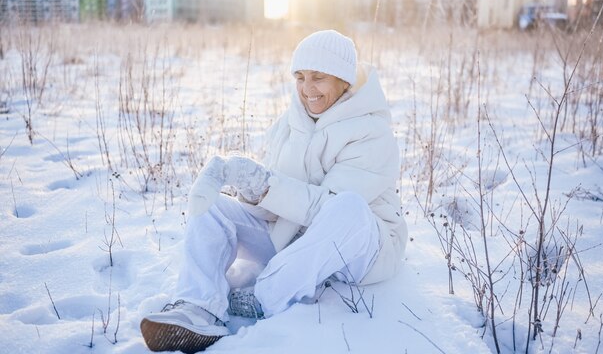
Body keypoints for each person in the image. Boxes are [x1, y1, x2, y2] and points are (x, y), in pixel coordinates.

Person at [140, 29, 408, 353]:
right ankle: (198, 306)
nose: (307, 89)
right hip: (292, 239)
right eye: (300, 77)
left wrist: (264, 184)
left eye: (318, 77)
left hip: (359, 248)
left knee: (348, 208)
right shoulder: (288, 123)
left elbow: (325, 209)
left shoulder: (373, 133)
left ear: (344, 80)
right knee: (216, 207)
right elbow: (275, 203)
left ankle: (266, 297)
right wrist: (248, 187)